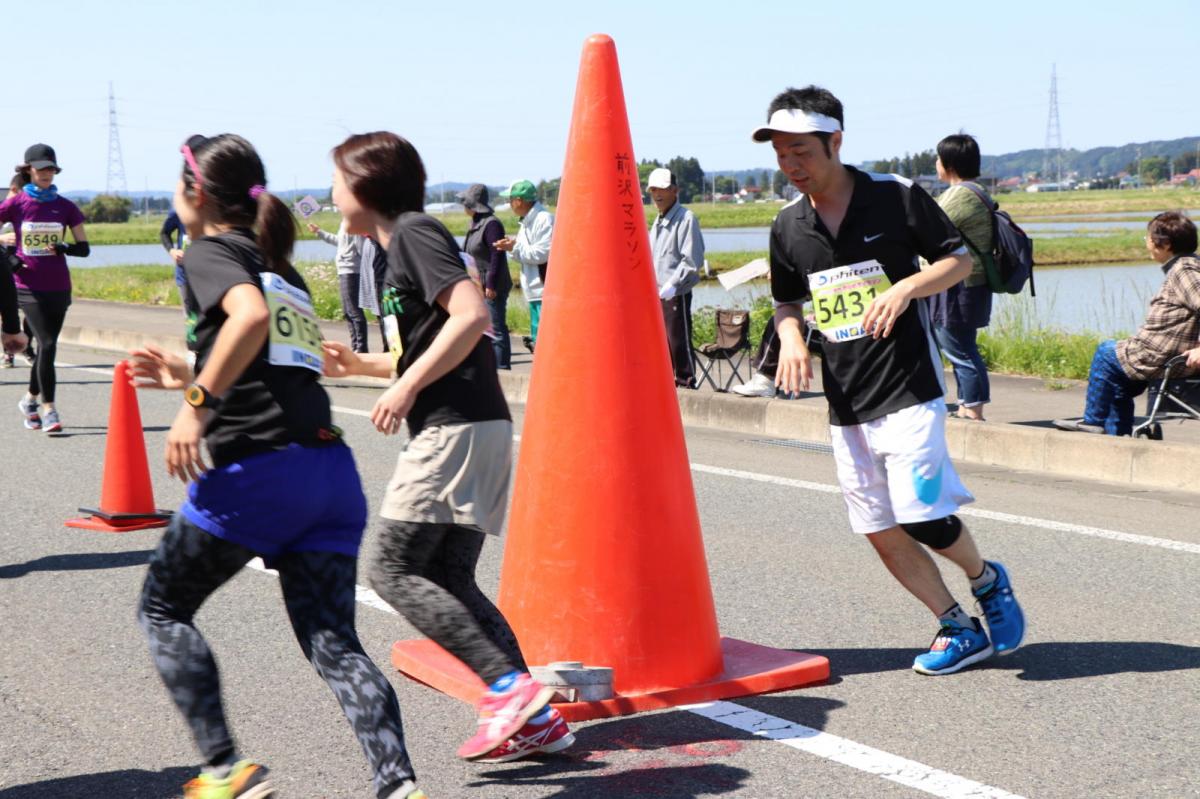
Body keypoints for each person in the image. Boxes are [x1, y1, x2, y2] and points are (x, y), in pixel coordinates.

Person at [130, 133, 425, 799]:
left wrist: (195, 406)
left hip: (260, 475)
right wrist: (190, 374)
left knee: (163, 607)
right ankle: (400, 785)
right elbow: (276, 368)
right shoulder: (278, 265)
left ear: (197, 193)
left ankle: (223, 769)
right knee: (334, 642)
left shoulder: (209, 251)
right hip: (329, 472)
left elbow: (248, 317)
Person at [754, 86, 1025, 675]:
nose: (791, 165)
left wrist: (906, 288)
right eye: (780, 153)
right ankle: (956, 626)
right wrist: (793, 339)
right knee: (878, 526)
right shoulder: (787, 224)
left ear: (836, 141)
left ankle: (985, 578)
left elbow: (958, 260)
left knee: (920, 513)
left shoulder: (895, 195)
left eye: (802, 151)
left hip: (909, 386)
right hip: (846, 400)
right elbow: (786, 301)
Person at [322, 132, 573, 763]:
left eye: (337, 181)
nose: (331, 193)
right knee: (449, 576)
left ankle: (511, 690)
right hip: (476, 426)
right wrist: (361, 365)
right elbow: (424, 347)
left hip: (452, 430)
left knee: (391, 571)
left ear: (365, 186)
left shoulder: (412, 232)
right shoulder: (393, 248)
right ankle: (536, 719)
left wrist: (405, 387)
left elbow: (471, 315)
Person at [1053, 211, 1200, 435]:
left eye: (1148, 238)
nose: (1147, 243)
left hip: (1158, 355)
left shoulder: (1185, 271)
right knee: (1116, 382)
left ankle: (1093, 421)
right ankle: (1118, 439)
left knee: (1105, 353)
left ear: (1166, 244)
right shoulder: (1189, 266)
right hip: (1164, 354)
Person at [0, 144, 90, 433]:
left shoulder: (66, 207)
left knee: (47, 349)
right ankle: (49, 408)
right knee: (47, 344)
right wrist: (8, 257)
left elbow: (84, 249)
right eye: (40, 168)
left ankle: (29, 399)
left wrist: (65, 247)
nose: (46, 173)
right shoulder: (16, 204)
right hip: (27, 286)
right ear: (28, 170)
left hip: (59, 286)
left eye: (51, 168)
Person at [927, 134, 993, 421]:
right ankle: (967, 406)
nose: (936, 163)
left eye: (938, 158)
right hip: (965, 283)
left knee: (959, 348)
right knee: (959, 346)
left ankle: (973, 410)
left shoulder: (961, 195)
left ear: (949, 164)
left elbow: (926, 226)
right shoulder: (974, 191)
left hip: (958, 285)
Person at [647, 168, 704, 388]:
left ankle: (686, 382)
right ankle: (667, 385)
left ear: (675, 190)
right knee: (661, 342)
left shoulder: (686, 218)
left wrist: (673, 283)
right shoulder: (658, 220)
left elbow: (692, 259)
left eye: (662, 189)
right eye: (653, 190)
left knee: (678, 339)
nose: (657, 194)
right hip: (657, 292)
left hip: (675, 291)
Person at [494, 180, 552, 354]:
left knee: (545, 341)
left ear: (519, 200)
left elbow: (543, 254)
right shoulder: (527, 221)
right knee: (539, 339)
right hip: (534, 289)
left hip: (543, 289)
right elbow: (522, 252)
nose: (509, 204)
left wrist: (514, 248)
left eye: (510, 200)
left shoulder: (544, 219)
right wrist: (512, 247)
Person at [458, 183, 512, 369]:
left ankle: (502, 369)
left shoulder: (491, 224)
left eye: (465, 203)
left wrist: (491, 285)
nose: (463, 206)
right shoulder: (475, 223)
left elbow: (497, 256)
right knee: (483, 329)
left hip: (491, 284)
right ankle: (490, 368)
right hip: (478, 283)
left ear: (472, 205)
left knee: (496, 328)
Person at [309, 217, 369, 352]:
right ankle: (355, 346)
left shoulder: (354, 223)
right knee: (347, 311)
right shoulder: (344, 223)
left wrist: (361, 265)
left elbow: (362, 248)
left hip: (351, 270)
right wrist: (319, 232)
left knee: (354, 311)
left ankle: (362, 348)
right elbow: (339, 241)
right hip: (343, 270)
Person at [160, 208, 189, 307]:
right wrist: (172, 251)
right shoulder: (178, 211)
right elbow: (164, 233)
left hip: (208, 274)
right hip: (184, 274)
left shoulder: (212, 208)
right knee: (191, 315)